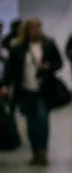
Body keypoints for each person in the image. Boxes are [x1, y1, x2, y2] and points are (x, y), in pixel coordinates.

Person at [0, 18, 63, 165]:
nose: (35, 31)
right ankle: (35, 150)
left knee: (42, 119)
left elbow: (59, 62)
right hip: (26, 89)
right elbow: (11, 68)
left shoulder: (48, 44)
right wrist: (6, 85)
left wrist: (48, 67)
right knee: (31, 121)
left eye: (37, 27)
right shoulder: (18, 47)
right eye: (32, 28)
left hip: (43, 89)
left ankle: (42, 150)